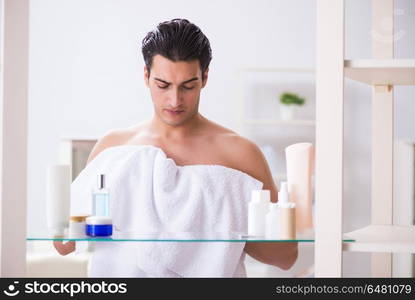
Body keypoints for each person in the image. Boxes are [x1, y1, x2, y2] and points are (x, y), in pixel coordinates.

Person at [54, 18, 298, 271]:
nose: (174, 99)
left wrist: (224, 223)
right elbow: (64, 244)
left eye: (188, 86)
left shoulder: (239, 153)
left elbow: (284, 257)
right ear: (146, 75)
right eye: (163, 85)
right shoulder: (114, 148)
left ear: (204, 77)